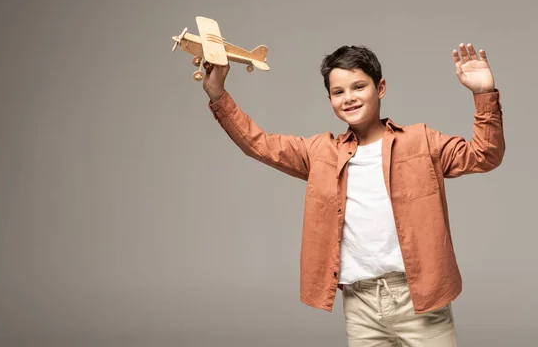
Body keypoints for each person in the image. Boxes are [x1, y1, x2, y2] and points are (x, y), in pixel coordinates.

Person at [201, 43, 504, 346]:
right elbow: (258, 144)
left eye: (359, 86)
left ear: (380, 87)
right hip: (361, 306)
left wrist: (483, 93)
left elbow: (484, 155)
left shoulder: (422, 141)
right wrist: (218, 94)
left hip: (420, 298)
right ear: (330, 98)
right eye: (338, 92)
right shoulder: (321, 153)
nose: (349, 98)